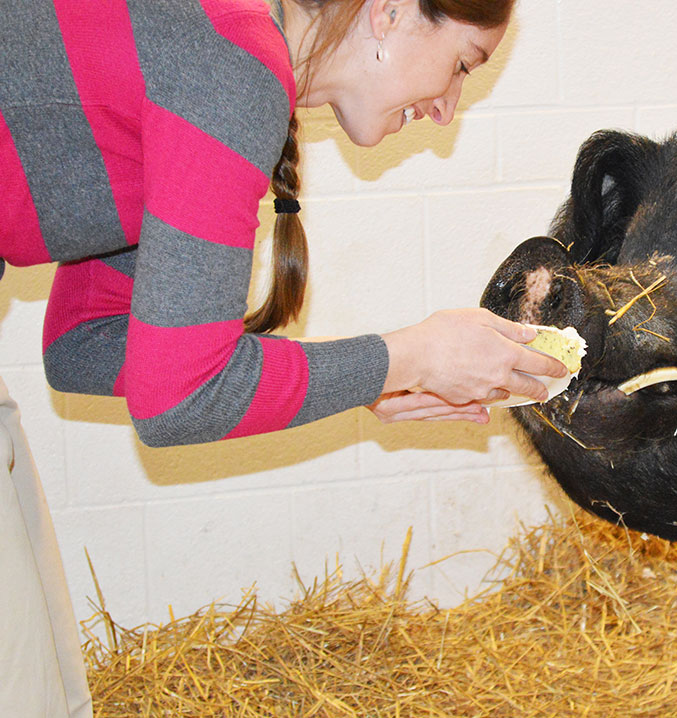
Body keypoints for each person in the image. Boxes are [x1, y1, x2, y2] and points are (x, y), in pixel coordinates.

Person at [0, 0, 565, 715]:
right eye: (460, 65)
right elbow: (175, 402)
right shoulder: (230, 66)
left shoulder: (216, 52)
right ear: (388, 13)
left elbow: (84, 346)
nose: (448, 109)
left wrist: (377, 377)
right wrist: (406, 356)